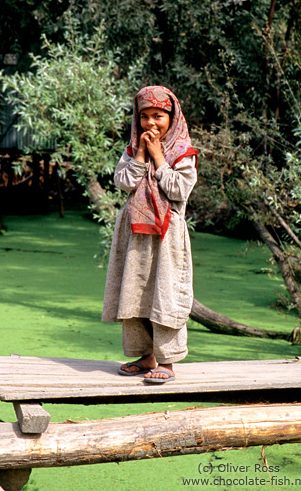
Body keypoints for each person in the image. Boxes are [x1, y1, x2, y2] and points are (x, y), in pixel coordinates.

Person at [101, 85, 197, 384]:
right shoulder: (132, 148)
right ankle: (146, 356)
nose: (151, 123)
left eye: (158, 116)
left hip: (167, 235)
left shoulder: (183, 152)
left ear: (172, 116)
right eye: (144, 117)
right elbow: (124, 182)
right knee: (136, 291)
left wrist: (158, 157)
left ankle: (167, 361)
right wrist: (142, 152)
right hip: (134, 235)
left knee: (165, 294)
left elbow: (179, 189)